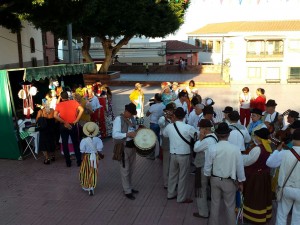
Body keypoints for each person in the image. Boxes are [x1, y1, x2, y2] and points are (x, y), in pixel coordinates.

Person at [204, 122, 245, 225]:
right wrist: (241, 181)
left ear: (217, 134)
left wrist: (209, 176)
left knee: (215, 204)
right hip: (229, 181)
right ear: (228, 134)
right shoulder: (235, 149)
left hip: (215, 179)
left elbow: (207, 166)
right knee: (230, 206)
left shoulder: (213, 148)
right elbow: (240, 168)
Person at [163, 107, 198, 203]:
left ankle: (170, 194)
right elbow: (197, 135)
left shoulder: (170, 126)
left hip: (173, 154)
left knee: (172, 175)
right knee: (183, 177)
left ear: (174, 116)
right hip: (184, 155)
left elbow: (165, 134)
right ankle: (181, 197)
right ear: (184, 116)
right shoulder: (188, 127)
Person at [242, 128, 272, 224]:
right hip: (264, 175)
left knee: (254, 197)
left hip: (255, 177)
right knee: (262, 197)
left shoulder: (257, 148)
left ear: (258, 138)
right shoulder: (267, 147)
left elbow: (248, 161)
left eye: (255, 136)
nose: (254, 137)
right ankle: (263, 215)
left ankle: (253, 217)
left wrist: (240, 157)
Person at [273, 128, 300, 225]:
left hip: (286, 188)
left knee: (281, 215)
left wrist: (276, 151)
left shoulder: (286, 153)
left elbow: (273, 165)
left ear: (293, 139)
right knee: (298, 218)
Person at [112, 103, 138, 200]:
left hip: (132, 147)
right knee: (125, 170)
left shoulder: (132, 119)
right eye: (130, 113)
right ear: (126, 111)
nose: (131, 115)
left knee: (131, 169)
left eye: (132, 114)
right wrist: (127, 134)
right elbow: (115, 134)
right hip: (123, 147)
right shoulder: (118, 119)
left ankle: (129, 187)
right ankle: (127, 190)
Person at [193, 119, 218, 219]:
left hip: (203, 167)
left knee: (201, 189)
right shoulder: (214, 137)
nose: (199, 130)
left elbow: (196, 148)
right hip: (212, 166)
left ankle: (203, 212)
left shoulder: (207, 140)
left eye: (200, 128)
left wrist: (199, 139)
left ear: (204, 129)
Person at [54, 91, 84, 167]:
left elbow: (55, 116)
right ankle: (79, 161)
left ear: (61, 97)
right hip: (73, 124)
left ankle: (68, 162)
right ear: (68, 96)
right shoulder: (74, 102)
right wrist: (77, 119)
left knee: (65, 144)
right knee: (76, 143)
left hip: (63, 125)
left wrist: (64, 122)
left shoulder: (59, 105)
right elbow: (82, 110)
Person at [79, 122, 104, 196]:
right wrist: (101, 156)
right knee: (93, 171)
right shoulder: (98, 140)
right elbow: (99, 150)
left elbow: (82, 151)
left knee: (85, 171)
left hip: (87, 157)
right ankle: (91, 187)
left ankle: (86, 185)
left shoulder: (83, 140)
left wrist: (82, 159)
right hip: (95, 157)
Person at [158, 102, 176, 189]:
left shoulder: (175, 119)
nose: (171, 112)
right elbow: (160, 124)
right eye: (170, 111)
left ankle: (172, 181)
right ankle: (166, 183)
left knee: (174, 164)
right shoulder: (162, 118)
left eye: (173, 111)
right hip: (166, 142)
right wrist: (166, 118)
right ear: (167, 111)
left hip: (174, 142)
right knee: (166, 164)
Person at [35, 98, 56, 164]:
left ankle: (47, 158)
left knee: (44, 144)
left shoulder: (40, 111)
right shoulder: (53, 110)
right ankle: (53, 156)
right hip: (51, 129)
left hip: (44, 130)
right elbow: (56, 119)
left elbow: (37, 121)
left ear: (43, 104)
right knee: (52, 142)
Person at [146, 93, 165, 159]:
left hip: (153, 124)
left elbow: (147, 114)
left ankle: (152, 155)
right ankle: (160, 155)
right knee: (160, 140)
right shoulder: (163, 106)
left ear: (155, 99)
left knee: (152, 140)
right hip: (161, 125)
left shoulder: (153, 106)